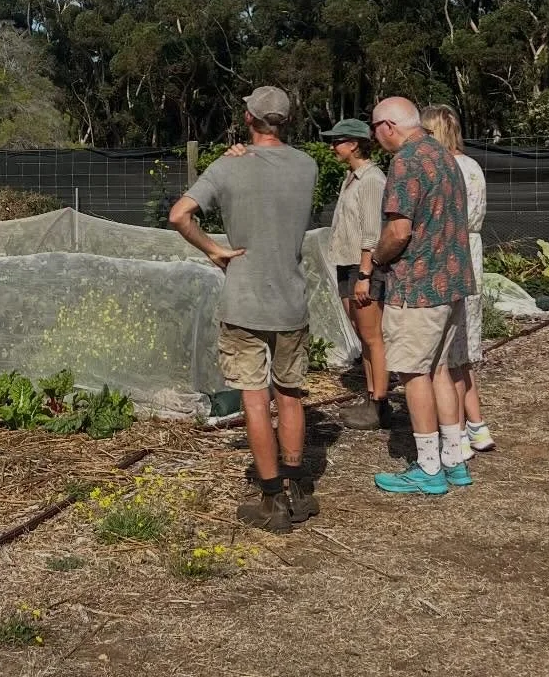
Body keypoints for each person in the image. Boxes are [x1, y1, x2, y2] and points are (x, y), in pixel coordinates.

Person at [169, 86, 318, 532]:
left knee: (256, 400)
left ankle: (269, 498)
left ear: (249, 119)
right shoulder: (308, 166)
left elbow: (179, 215)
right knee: (289, 395)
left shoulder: (227, 167)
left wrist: (214, 249)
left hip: (245, 301)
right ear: (286, 120)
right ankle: (297, 491)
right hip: (291, 301)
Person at [366, 96, 479, 497]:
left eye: (374, 129)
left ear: (388, 127)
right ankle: (455, 460)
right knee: (440, 371)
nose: (375, 138)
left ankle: (428, 467)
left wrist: (375, 260)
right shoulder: (444, 155)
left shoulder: (406, 161)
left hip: (418, 286)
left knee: (414, 374)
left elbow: (399, 232)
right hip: (452, 282)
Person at [421, 104, 496, 453]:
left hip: (452, 253)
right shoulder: (473, 165)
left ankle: (459, 434)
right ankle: (478, 427)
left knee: (447, 354)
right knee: (463, 350)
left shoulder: (446, 168)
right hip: (473, 252)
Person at [321, 119, 392, 431]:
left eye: (338, 141)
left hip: (362, 266)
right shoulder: (350, 178)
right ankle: (371, 395)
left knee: (373, 336)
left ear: (354, 144)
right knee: (363, 335)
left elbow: (372, 232)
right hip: (346, 263)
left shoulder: (372, 180)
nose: (333, 146)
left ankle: (380, 403)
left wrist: (365, 274)